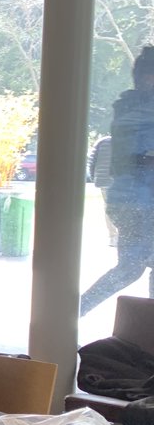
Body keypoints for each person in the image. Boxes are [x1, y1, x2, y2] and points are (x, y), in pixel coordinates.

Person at [80, 47, 154, 315]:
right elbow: (139, 157)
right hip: (140, 202)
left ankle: (70, 312)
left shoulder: (130, 106)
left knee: (129, 269)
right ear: (147, 78)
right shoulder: (140, 110)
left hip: (131, 200)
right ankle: (69, 312)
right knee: (129, 269)